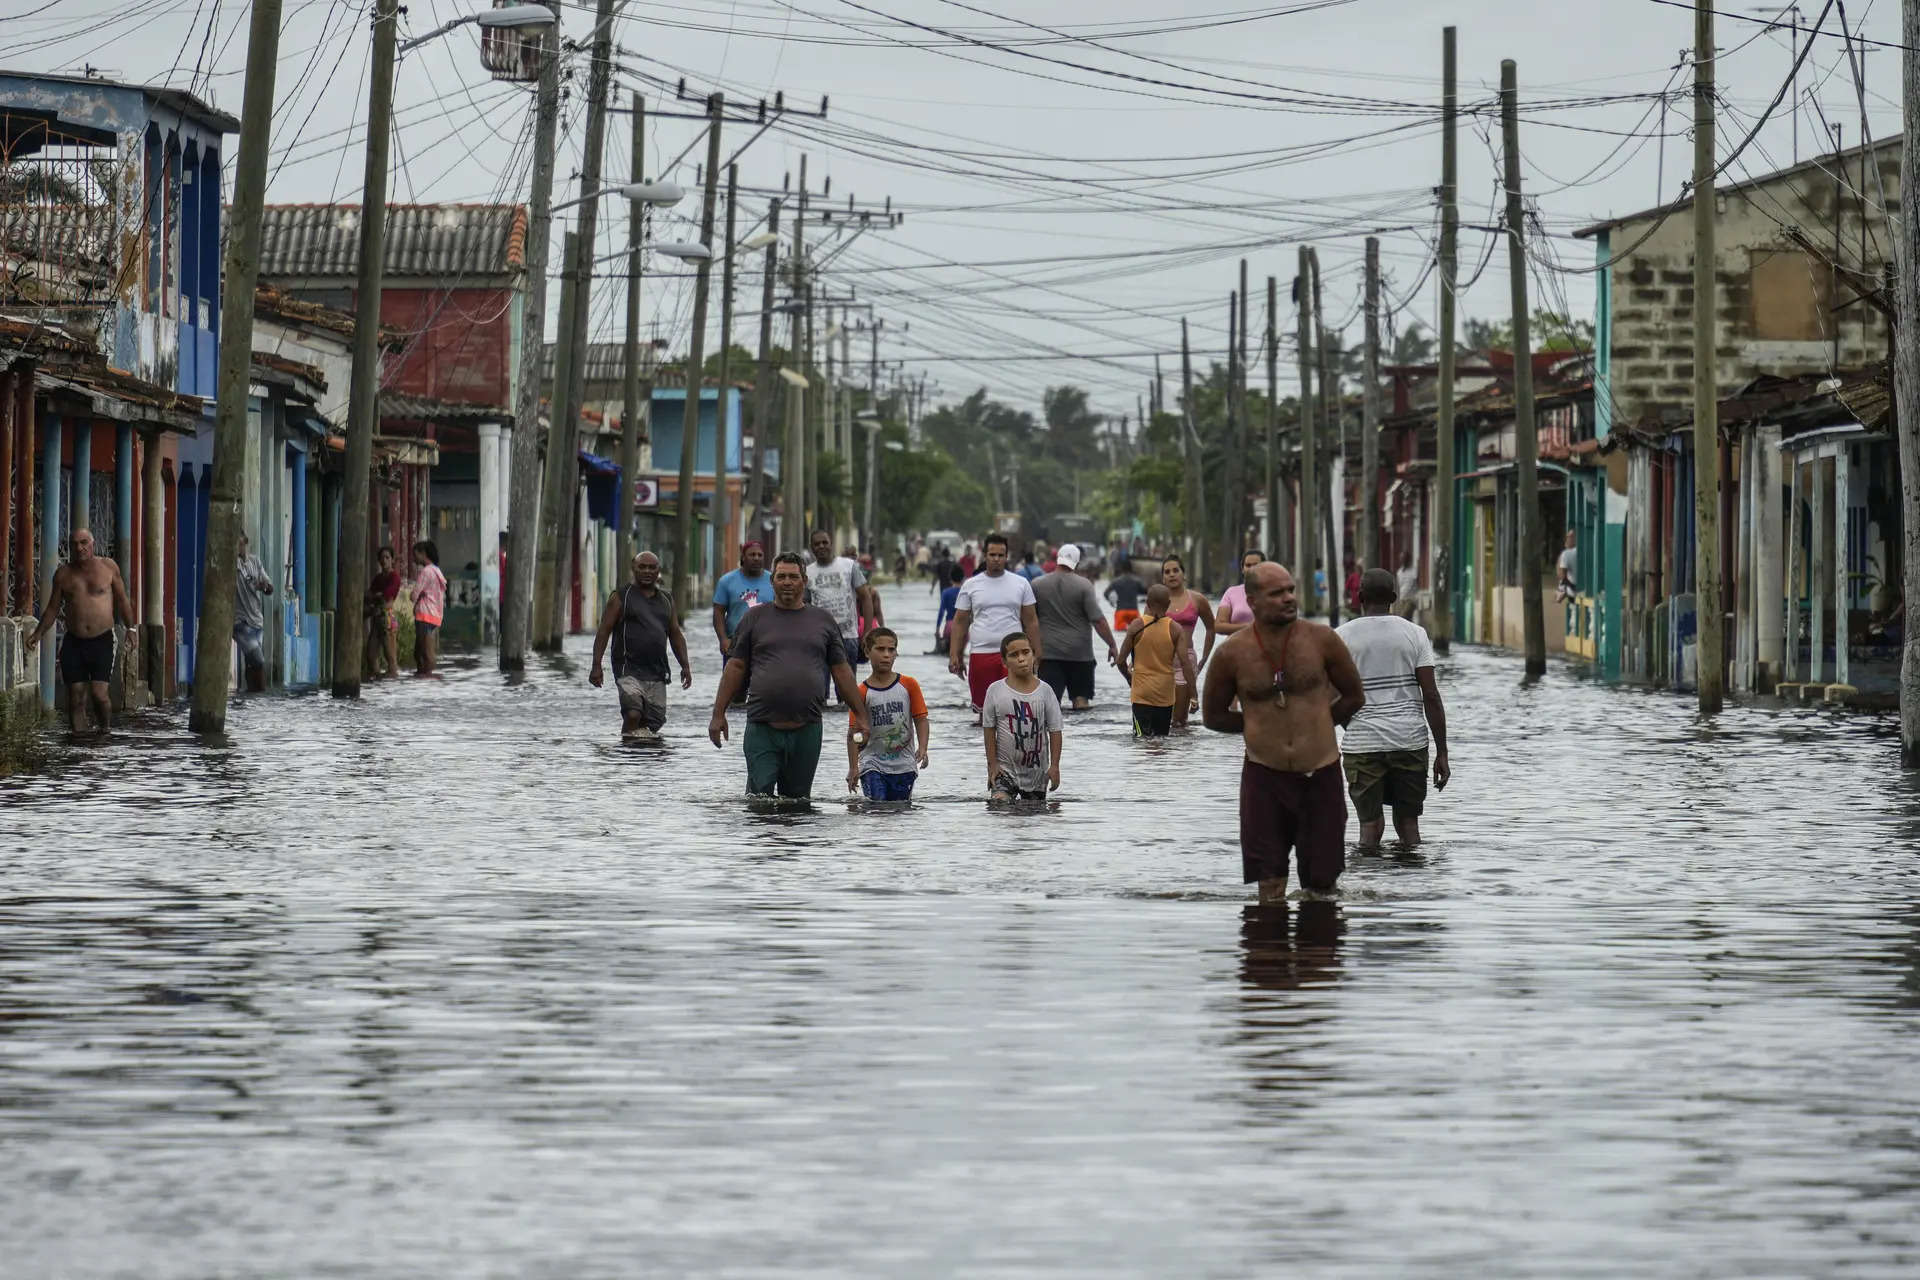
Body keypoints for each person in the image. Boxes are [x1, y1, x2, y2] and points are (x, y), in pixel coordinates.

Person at [1201, 562, 1365, 902]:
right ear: (1253, 601)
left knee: (1322, 888)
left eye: (1291, 590)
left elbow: (1354, 696)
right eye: (1277, 593)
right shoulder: (1232, 653)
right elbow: (1213, 716)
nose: (1289, 598)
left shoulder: (1323, 641)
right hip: (1264, 778)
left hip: (1320, 774)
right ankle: (1269, 950)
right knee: (1269, 886)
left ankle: (1317, 950)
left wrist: (1318, 722)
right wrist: (1259, 727)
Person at [710, 551, 869, 798]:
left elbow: (841, 671)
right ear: (771, 581)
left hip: (808, 728)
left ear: (804, 581)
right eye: (781, 576)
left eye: (793, 577)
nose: (787, 582)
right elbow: (735, 667)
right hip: (762, 727)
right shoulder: (754, 618)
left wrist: (860, 714)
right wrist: (718, 714)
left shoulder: (823, 621)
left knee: (797, 802)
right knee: (759, 798)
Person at [1337, 568, 1450, 848]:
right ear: (1394, 598)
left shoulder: (1340, 637)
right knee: (1408, 825)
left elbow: (1329, 696)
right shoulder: (1415, 634)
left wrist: (1353, 726)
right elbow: (1431, 696)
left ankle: (1370, 885)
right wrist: (1442, 752)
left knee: (1370, 828)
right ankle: (1412, 887)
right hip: (1409, 741)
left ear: (1360, 597)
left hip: (1362, 745)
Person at [24, 527, 139, 735]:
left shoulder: (108, 567)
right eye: (74, 544)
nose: (79, 548)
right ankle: (80, 741)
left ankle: (104, 732)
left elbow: (123, 599)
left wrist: (131, 628)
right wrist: (37, 634)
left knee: (99, 694)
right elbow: (52, 608)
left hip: (102, 639)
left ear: (92, 544)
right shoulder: (63, 574)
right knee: (76, 696)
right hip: (74, 641)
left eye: (84, 542)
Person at [590, 550, 692, 741]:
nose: (647, 571)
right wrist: (597, 665)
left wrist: (685, 666)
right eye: (642, 567)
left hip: (656, 671)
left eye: (652, 567)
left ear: (658, 571)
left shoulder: (666, 599)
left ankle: (643, 761)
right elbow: (604, 631)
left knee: (653, 723)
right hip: (627, 668)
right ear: (633, 568)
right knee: (633, 713)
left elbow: (676, 635)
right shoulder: (621, 597)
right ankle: (628, 755)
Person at [948, 531, 1041, 725]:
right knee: (985, 716)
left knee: (1017, 711)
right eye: (992, 555)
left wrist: (1037, 653)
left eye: (1000, 555)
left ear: (1006, 556)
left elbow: (1031, 620)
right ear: (985, 555)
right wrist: (954, 654)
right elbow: (960, 622)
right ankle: (987, 753)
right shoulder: (971, 585)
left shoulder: (1021, 584)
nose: (997, 559)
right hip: (981, 654)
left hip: (1015, 655)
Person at [1031, 542, 1118, 711]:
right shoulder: (1084, 586)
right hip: (1080, 655)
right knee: (1081, 703)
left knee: (1049, 706)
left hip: (1048, 655)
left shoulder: (1037, 585)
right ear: (1077, 563)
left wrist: (1031, 649)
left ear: (1057, 559)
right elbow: (1098, 620)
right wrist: (1112, 645)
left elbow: (1029, 620)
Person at [845, 627, 929, 801]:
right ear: (867, 651)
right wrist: (854, 767)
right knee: (878, 806)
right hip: (872, 763)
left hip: (904, 765)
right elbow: (854, 732)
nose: (886, 655)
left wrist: (923, 747)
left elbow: (921, 719)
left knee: (900, 808)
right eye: (880, 649)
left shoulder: (909, 684)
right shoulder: (861, 692)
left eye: (891, 650)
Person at [981, 630, 1063, 803]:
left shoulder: (1045, 691)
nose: (1021, 659)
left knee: (1034, 815)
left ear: (1033, 654)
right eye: (1014, 655)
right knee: (999, 804)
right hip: (1005, 771)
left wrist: (1054, 766)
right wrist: (992, 764)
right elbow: (989, 729)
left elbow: (1055, 730)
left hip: (1036, 774)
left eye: (1026, 652)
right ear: (1004, 662)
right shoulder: (995, 690)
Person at [1116, 583, 1195, 738]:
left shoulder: (1137, 625)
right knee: (1161, 741)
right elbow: (1186, 665)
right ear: (1168, 605)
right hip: (1165, 697)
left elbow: (1120, 661)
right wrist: (1194, 696)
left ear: (1147, 603)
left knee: (1141, 741)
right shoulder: (1175, 629)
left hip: (1141, 696)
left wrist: (1129, 678)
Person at [805, 529, 874, 681]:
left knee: (847, 691)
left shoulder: (849, 566)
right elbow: (804, 606)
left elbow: (866, 597)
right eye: (817, 544)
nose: (821, 546)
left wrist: (868, 632)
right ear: (812, 547)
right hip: (819, 639)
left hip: (848, 637)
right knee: (818, 689)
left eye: (825, 542)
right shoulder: (807, 573)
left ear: (831, 544)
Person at [713, 541, 772, 706]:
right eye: (752, 555)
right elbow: (718, 612)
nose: (756, 558)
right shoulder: (727, 581)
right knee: (735, 695)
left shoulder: (773, 580)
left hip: (765, 643)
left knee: (762, 693)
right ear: (743, 558)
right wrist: (723, 639)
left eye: (760, 555)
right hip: (735, 643)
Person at [1160, 555, 1216, 729]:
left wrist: (1204, 658)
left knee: (1179, 720)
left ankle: (1182, 755)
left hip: (1186, 662)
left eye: (1176, 570)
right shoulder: (1157, 600)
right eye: (1167, 572)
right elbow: (1142, 631)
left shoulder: (1197, 600)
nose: (1171, 575)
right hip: (1161, 661)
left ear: (1184, 574)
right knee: (1162, 717)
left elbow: (1211, 628)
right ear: (1163, 578)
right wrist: (1136, 658)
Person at [233, 531, 275, 692]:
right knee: (258, 660)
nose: (239, 548)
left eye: (241, 545)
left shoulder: (255, 562)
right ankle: (261, 698)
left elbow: (270, 588)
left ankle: (250, 695)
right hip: (240, 622)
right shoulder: (233, 564)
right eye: (237, 545)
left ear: (246, 544)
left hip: (256, 620)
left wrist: (264, 586)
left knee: (251, 662)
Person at [366, 546, 402, 679]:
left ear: (392, 560)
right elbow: (370, 594)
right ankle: (377, 679)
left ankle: (391, 680)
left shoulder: (395, 577)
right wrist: (375, 596)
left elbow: (387, 595)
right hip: (377, 617)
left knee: (390, 656)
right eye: (382, 558)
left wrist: (376, 596)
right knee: (371, 654)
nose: (384, 560)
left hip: (387, 617)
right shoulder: (378, 578)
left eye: (387, 557)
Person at [411, 540, 447, 676]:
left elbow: (414, 595)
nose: (414, 558)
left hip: (424, 615)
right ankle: (426, 677)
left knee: (424, 653)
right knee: (422, 651)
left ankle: (429, 679)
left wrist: (413, 596)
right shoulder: (437, 571)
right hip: (434, 616)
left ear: (423, 554)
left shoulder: (426, 572)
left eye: (415, 555)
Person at [1215, 549, 1265, 637]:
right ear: (1242, 569)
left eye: (1256, 565)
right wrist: (1248, 627)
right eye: (1248, 565)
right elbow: (1219, 626)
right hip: (1235, 647)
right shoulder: (1231, 593)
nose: (1252, 568)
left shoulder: (1273, 592)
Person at [1104, 557, 1147, 633]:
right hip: (1134, 612)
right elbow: (1145, 591)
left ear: (1121, 569)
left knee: (1119, 631)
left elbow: (1106, 593)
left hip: (1121, 611)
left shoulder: (1116, 581)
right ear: (1131, 569)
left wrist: (1112, 602)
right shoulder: (1136, 581)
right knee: (1137, 631)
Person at [933, 563, 962, 654]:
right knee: (959, 655)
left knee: (948, 654)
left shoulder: (946, 592)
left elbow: (941, 612)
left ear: (950, 578)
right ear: (963, 578)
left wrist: (937, 628)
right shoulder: (966, 592)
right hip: (963, 629)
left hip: (950, 626)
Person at [1396, 552, 1420, 621]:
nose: (1402, 561)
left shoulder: (1414, 571)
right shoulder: (1399, 572)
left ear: (1408, 560)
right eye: (1401, 559)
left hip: (1411, 599)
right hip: (1402, 599)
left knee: (1403, 617)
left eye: (1404, 559)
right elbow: (1399, 586)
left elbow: (1419, 584)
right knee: (1406, 620)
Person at [1556, 529, 1578, 604]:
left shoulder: (1566, 554)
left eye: (1569, 537)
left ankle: (1562, 592)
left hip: (1573, 592)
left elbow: (1561, 575)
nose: (1566, 539)